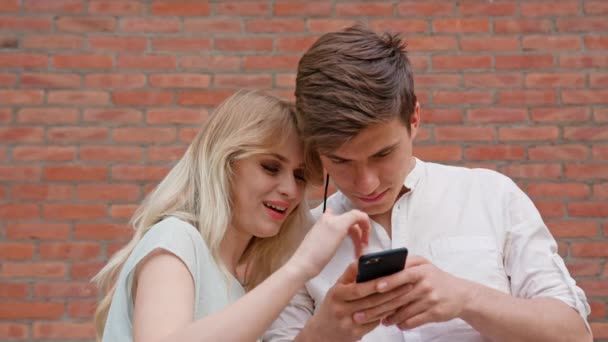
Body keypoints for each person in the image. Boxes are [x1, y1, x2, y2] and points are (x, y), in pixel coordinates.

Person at [264, 25, 592, 342]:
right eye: (341, 161)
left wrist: (467, 298)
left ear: (414, 119)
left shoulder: (491, 196)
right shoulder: (296, 241)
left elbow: (574, 333)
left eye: (382, 154)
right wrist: (323, 335)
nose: (366, 183)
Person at [92, 90, 371, 342]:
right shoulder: (176, 238)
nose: (290, 190)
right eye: (271, 167)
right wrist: (300, 267)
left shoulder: (241, 283)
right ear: (225, 163)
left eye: (300, 176)